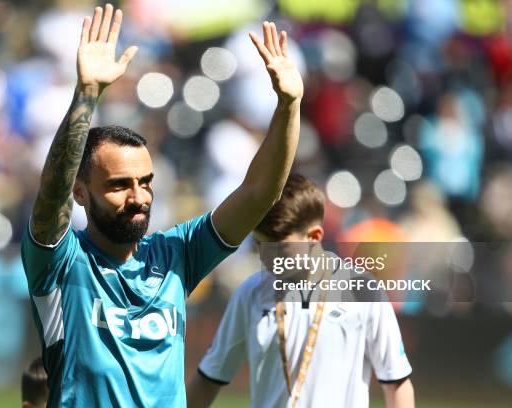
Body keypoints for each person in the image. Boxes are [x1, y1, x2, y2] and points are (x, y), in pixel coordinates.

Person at [21, 3, 303, 407]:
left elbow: (260, 193)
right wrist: (86, 94)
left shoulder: (176, 255)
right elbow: (51, 197)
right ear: (80, 192)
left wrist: (288, 105)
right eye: (119, 185)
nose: (138, 197)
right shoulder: (62, 263)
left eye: (145, 182)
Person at [187, 174, 415, 408]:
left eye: (280, 249)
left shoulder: (364, 291)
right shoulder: (249, 294)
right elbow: (208, 380)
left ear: (314, 237)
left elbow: (396, 383)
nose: (266, 258)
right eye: (259, 245)